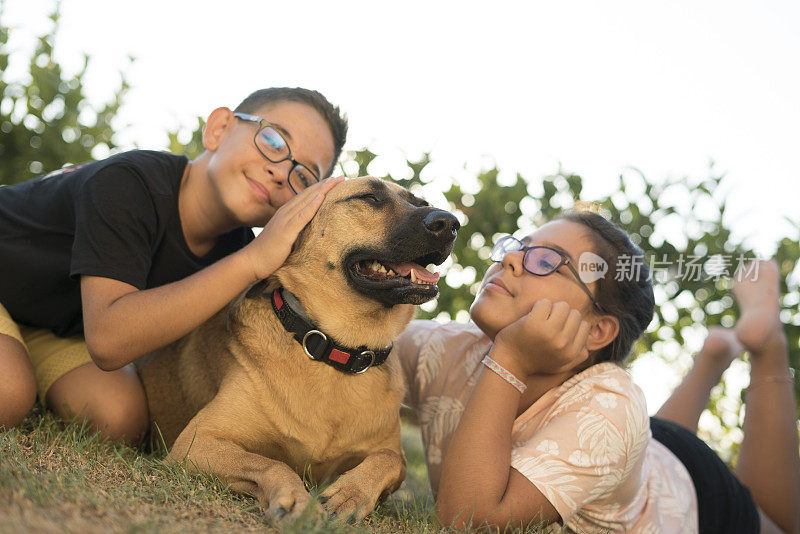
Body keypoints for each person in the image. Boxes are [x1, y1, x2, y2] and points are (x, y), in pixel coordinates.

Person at [395, 210, 800, 533]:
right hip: (641, 447)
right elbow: (353, 349)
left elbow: (468, 520)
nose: (511, 258)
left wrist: (510, 361)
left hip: (693, 497)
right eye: (519, 246)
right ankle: (713, 355)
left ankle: (767, 345)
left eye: (546, 261)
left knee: (781, 525)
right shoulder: (449, 347)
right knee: (651, 433)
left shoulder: (610, 411)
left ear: (597, 330)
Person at [0, 87, 347, 444]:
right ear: (219, 128)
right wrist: (252, 261)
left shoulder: (239, 249)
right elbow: (108, 338)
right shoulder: (130, 182)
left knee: (119, 419)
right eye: (273, 141)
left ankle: (20, 354)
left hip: (53, 324)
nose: (280, 172)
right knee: (8, 393)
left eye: (304, 177)